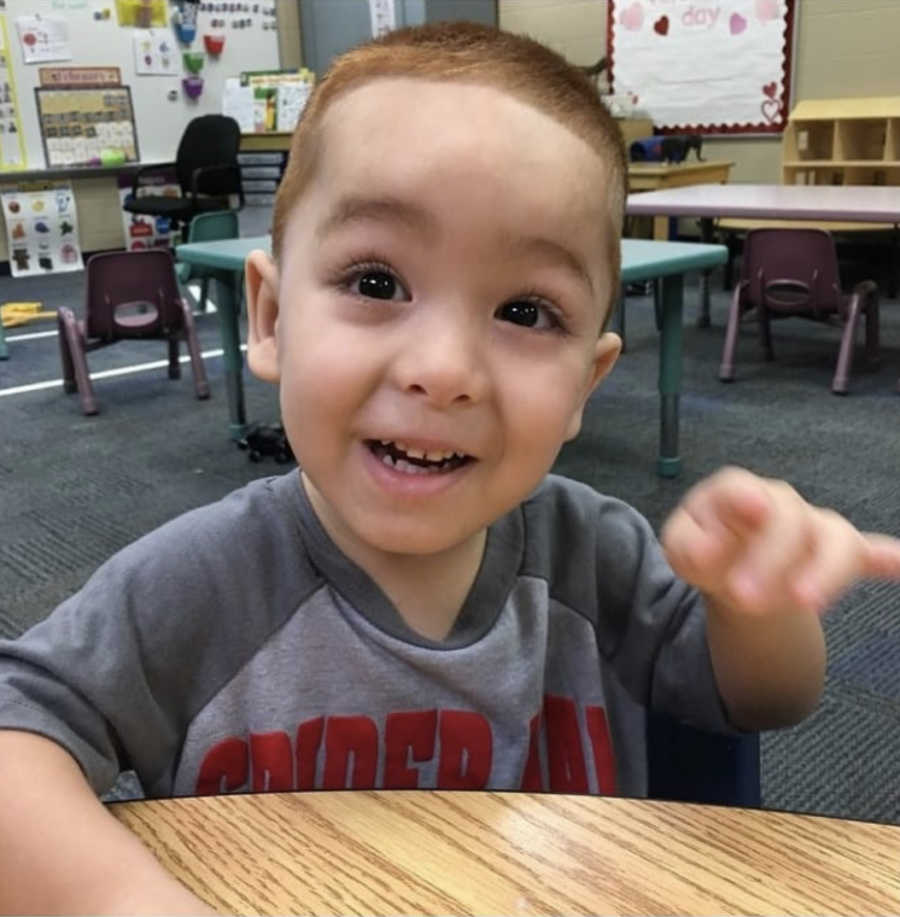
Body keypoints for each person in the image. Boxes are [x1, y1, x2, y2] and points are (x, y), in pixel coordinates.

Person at [2, 21, 900, 914]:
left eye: (525, 310)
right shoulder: (197, 587)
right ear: (271, 319)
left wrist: (756, 602)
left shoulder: (597, 558)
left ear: (587, 380)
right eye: (376, 283)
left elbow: (763, 699)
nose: (445, 369)